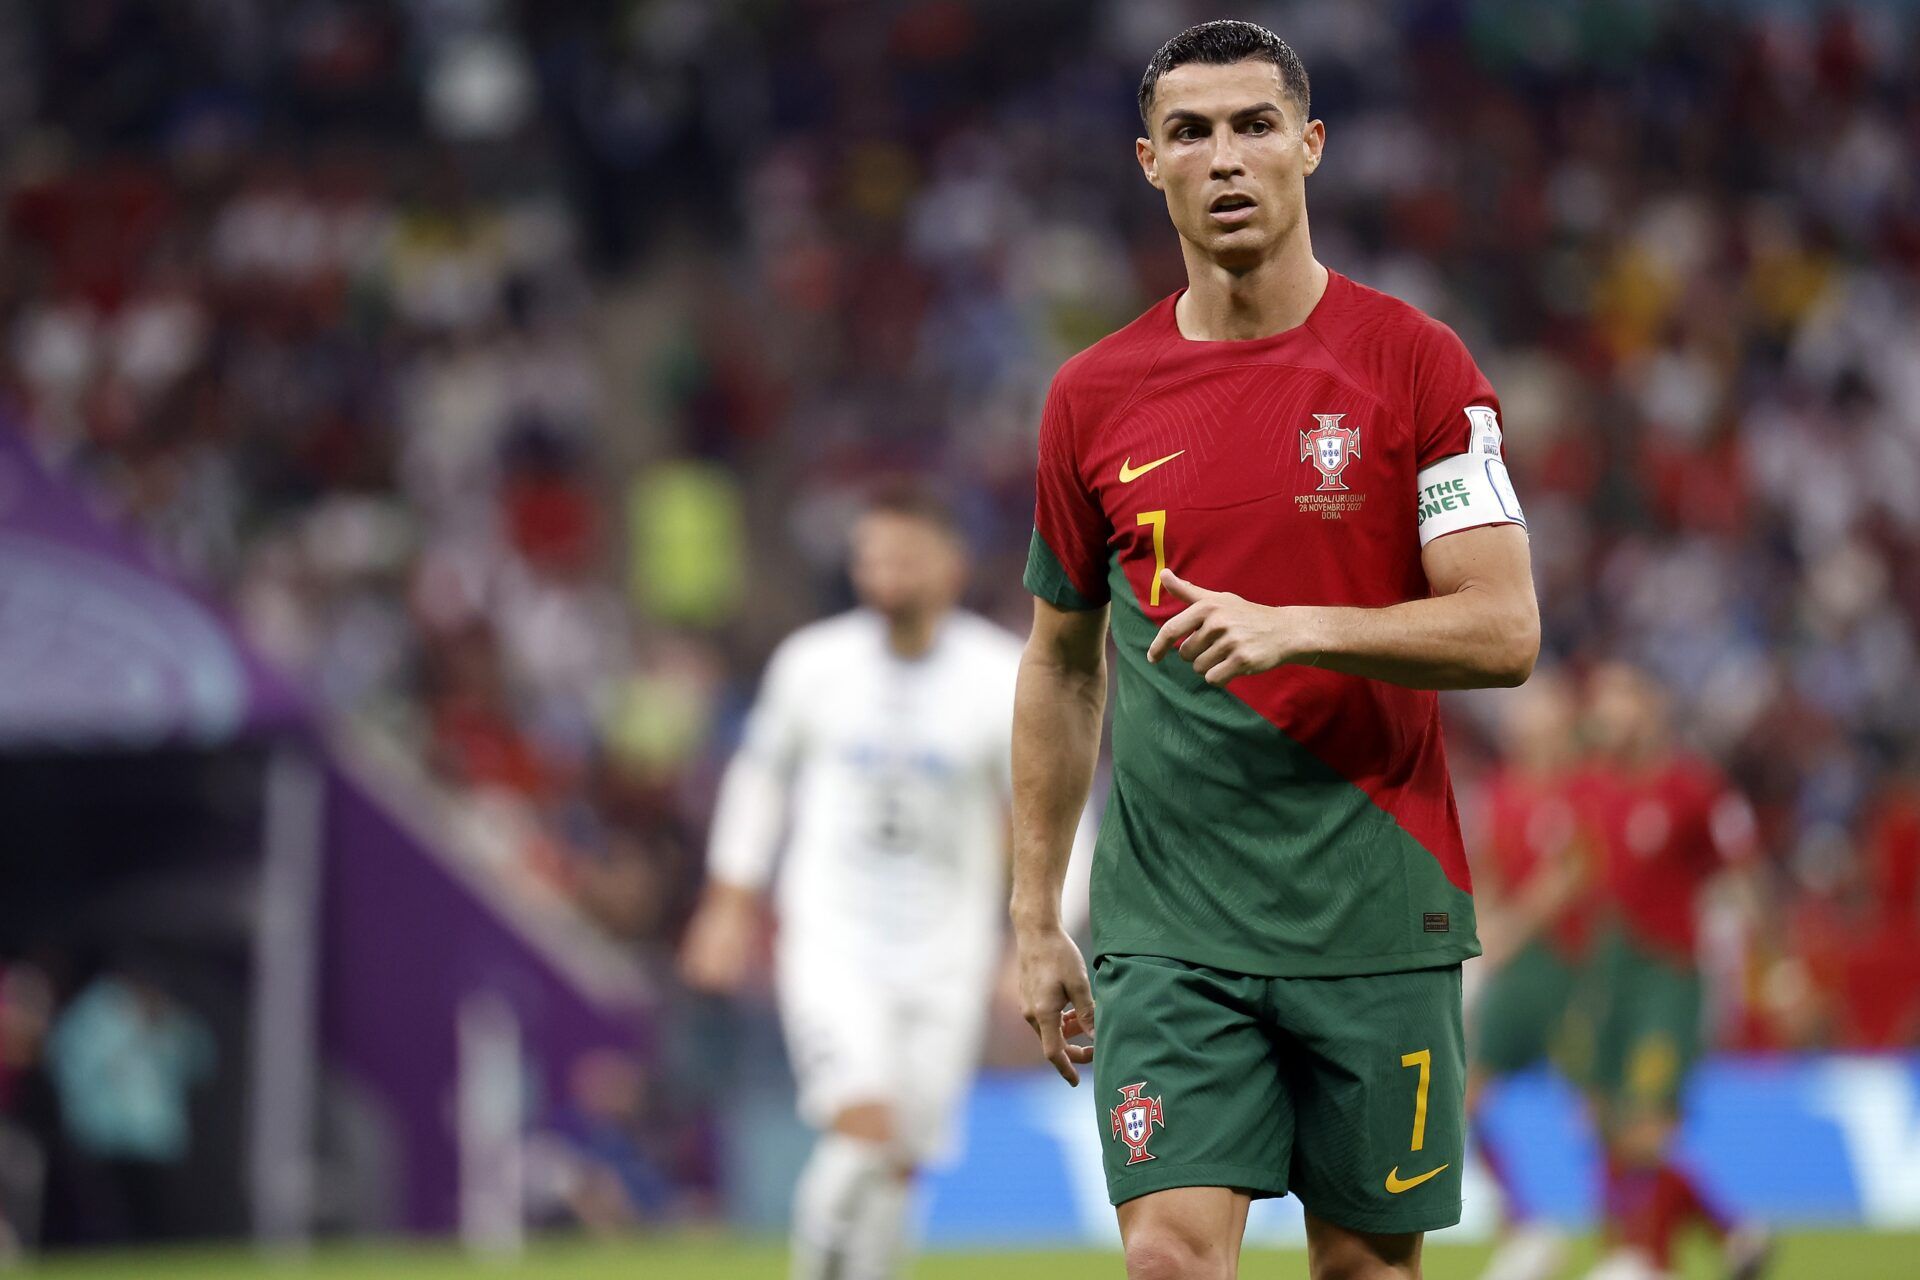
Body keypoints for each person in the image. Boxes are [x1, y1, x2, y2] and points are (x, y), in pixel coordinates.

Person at [1010, 20, 1539, 1280]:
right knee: (1169, 1260)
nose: (1225, 156)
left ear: (1311, 145)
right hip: (1171, 923)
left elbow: (1504, 626)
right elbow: (1062, 662)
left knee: (1365, 1268)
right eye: (1190, 132)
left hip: (1377, 905)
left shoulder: (1418, 366)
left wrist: (1297, 625)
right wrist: (1032, 914)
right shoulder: (1091, 396)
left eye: (1255, 125)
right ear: (1150, 163)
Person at [679, 483, 1026, 1280]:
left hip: (947, 950)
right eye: (871, 557)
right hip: (833, 940)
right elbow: (759, 782)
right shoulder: (813, 665)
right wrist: (727, 903)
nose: (884, 574)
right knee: (863, 1124)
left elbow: (1051, 814)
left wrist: (1033, 938)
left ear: (951, 564)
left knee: (901, 1160)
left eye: (904, 557)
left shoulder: (1001, 674)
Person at [1574, 664, 1771, 1280]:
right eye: (1601, 701)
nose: (1608, 714)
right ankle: (1728, 1232)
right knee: (1601, 1121)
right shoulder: (1594, 790)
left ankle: (1648, 1260)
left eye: (1620, 699)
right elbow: (1581, 876)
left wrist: (1771, 965)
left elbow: (1743, 873)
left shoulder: (1693, 788)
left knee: (1646, 1124)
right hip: (1609, 974)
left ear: (1649, 708)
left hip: (1670, 976)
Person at [1464, 672, 1593, 1280]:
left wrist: (1509, 929)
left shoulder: (1584, 790)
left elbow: (1573, 873)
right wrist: (1479, 933)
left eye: (1539, 712)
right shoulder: (1500, 793)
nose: (1526, 722)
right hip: (1519, 974)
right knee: (1465, 1097)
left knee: (1603, 1108)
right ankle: (1526, 1229)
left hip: (1573, 966)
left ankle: (1637, 1238)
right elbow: (1488, 874)